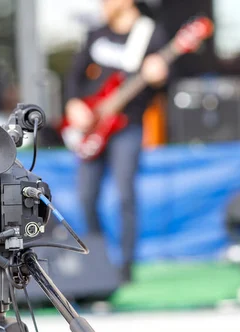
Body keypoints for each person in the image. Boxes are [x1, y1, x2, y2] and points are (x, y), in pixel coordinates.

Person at [64, 0, 169, 283]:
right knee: (86, 195)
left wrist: (160, 78)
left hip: (127, 126)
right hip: (93, 126)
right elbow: (74, 75)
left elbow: (164, 87)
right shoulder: (96, 34)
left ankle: (125, 267)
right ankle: (98, 258)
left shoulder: (151, 34)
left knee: (125, 195)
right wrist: (75, 104)